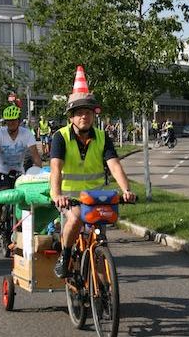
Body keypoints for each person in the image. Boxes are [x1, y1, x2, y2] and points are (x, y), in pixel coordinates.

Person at [51, 66, 136, 278]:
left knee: (99, 241)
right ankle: (66, 254)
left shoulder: (102, 137)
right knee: (77, 218)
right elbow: (56, 167)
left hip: (97, 197)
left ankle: (103, 291)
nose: (84, 117)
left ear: (93, 115)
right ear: (71, 117)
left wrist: (126, 189)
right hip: (70, 197)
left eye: (88, 112)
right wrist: (56, 195)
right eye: (79, 113)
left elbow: (114, 164)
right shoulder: (60, 137)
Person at [0, 104, 42, 229]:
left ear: (19, 121)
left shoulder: (26, 134)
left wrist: (39, 171)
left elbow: (35, 154)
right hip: (0, 170)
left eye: (14, 120)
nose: (11, 123)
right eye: (8, 121)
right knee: (4, 191)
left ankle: (19, 224)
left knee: (21, 197)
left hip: (18, 170)